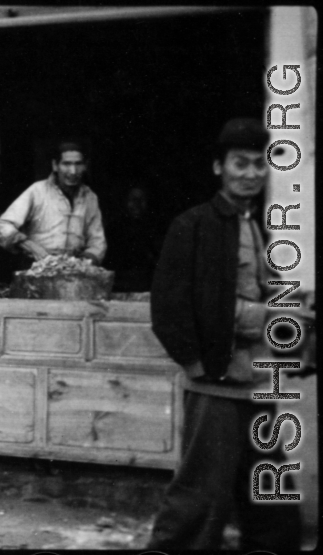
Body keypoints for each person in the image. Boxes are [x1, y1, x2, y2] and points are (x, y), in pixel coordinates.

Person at [147, 118, 301, 550]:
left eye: (259, 164)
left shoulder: (262, 225)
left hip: (257, 382)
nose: (251, 173)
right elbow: (171, 308)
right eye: (240, 163)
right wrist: (198, 365)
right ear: (219, 167)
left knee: (268, 490)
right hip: (215, 387)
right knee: (200, 497)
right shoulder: (192, 226)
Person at [0, 141, 106, 269]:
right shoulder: (37, 191)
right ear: (55, 165)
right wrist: (28, 245)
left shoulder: (90, 197)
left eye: (78, 164)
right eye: (66, 164)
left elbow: (97, 241)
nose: (73, 171)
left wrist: (85, 262)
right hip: (36, 267)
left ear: (85, 166)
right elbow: (1, 226)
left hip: (74, 270)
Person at [103, 186, 164, 292]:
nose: (137, 204)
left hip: (146, 284)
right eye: (133, 199)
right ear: (125, 201)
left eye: (142, 199)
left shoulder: (155, 227)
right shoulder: (114, 228)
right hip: (119, 284)